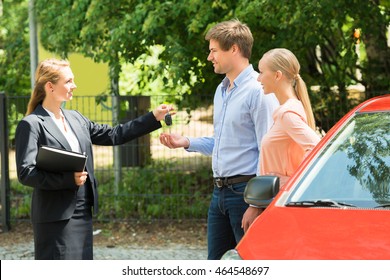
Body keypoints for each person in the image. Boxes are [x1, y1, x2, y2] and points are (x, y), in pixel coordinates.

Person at [15, 58, 173, 260]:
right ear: (50, 86)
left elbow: (115, 134)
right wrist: (67, 180)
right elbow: (26, 173)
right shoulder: (31, 124)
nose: (74, 85)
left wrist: (153, 117)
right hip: (54, 218)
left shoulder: (76, 118)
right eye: (69, 81)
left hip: (82, 211)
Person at [159, 19, 279, 260]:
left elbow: (268, 152)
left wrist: (256, 204)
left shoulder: (259, 92)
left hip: (245, 194)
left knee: (250, 264)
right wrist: (186, 142)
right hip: (219, 194)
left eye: (214, 50)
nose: (209, 57)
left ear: (234, 48)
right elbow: (223, 142)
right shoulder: (221, 90)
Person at [241, 48, 321, 230]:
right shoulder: (287, 109)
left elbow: (316, 148)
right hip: (277, 201)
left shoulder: (287, 114)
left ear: (277, 75)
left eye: (261, 72)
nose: (258, 78)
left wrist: (288, 185)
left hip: (280, 201)